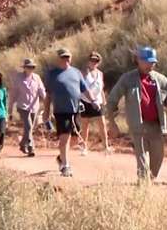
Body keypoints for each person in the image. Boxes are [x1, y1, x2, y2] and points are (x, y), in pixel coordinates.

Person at [106, 46, 167, 182]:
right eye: (147, 62)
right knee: (142, 158)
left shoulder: (161, 80)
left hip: (156, 126)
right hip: (138, 125)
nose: (150, 65)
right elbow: (112, 101)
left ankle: (149, 181)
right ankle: (143, 185)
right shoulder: (127, 79)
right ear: (138, 60)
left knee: (158, 158)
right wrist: (112, 123)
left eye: (153, 62)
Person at [44, 48, 88, 177]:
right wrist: (46, 112)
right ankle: (65, 166)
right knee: (64, 137)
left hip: (75, 111)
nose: (66, 59)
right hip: (61, 111)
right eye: (63, 57)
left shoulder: (76, 72)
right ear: (58, 58)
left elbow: (84, 89)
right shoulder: (52, 74)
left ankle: (61, 157)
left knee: (75, 138)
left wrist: (94, 101)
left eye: (68, 57)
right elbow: (48, 95)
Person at [11, 58, 46, 157]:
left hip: (34, 106)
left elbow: (41, 91)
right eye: (28, 67)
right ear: (24, 68)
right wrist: (10, 107)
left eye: (32, 67)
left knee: (30, 128)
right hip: (22, 106)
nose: (30, 69)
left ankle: (22, 144)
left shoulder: (37, 78)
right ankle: (31, 148)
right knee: (29, 126)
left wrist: (46, 102)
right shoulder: (18, 78)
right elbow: (13, 93)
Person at [79, 51, 110, 155]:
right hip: (85, 100)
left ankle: (106, 146)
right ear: (88, 61)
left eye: (96, 61)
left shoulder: (100, 74)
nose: (94, 62)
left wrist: (103, 99)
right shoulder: (83, 73)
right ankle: (84, 147)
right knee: (85, 124)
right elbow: (80, 87)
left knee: (102, 124)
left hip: (97, 101)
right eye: (92, 60)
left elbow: (101, 88)